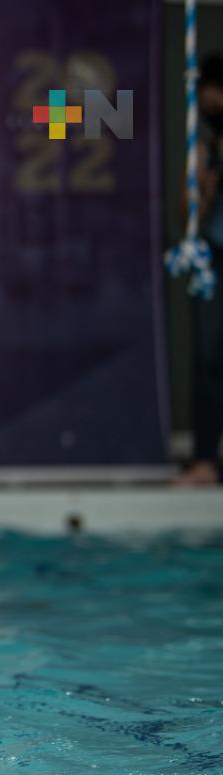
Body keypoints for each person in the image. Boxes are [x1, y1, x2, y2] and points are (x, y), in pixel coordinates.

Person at [177, 52, 223, 486]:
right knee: (209, 357)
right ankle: (205, 459)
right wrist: (203, 190)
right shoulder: (203, 141)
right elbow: (186, 215)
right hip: (211, 254)